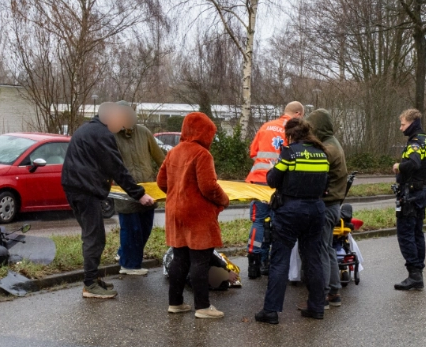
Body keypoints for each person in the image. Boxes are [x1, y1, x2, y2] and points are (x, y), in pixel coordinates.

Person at [61, 103, 154, 300]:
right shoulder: (101, 135)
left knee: (93, 236)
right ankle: (90, 285)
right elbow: (116, 168)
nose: (122, 128)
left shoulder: (88, 129)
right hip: (84, 191)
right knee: (94, 238)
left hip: (77, 188)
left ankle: (93, 279)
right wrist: (139, 194)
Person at [254, 118, 329, 325]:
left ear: (289, 135)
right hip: (315, 210)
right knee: (313, 258)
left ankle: (271, 311)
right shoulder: (322, 154)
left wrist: (273, 168)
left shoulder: (289, 152)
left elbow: (272, 180)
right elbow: (325, 185)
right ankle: (316, 307)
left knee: (280, 260)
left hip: (290, 211)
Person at [157, 112, 231, 319]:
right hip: (198, 214)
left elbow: (161, 182)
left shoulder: (173, 152)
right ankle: (202, 307)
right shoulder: (202, 154)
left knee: (179, 258)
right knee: (200, 260)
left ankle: (175, 302)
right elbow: (208, 187)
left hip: (175, 213)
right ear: (204, 133)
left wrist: (176, 195)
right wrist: (224, 200)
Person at [245, 100, 305, 279]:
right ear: (299, 114)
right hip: (281, 183)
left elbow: (253, 152)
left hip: (258, 181)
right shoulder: (295, 131)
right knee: (279, 222)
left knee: (259, 221)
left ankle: (254, 261)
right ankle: (273, 262)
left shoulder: (266, 126)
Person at [114, 106, 166, 276]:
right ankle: (129, 265)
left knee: (145, 228)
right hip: (125, 190)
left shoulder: (143, 132)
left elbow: (160, 158)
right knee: (131, 229)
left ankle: (124, 254)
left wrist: (170, 176)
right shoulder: (111, 136)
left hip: (148, 189)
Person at [306, 107, 348, 308]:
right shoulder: (332, 144)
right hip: (333, 205)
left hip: (326, 205)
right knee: (328, 248)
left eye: (311, 128)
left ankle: (321, 295)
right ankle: (334, 291)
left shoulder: (327, 150)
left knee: (321, 250)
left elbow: (315, 178)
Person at [392, 108, 426, 291]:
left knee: (406, 235)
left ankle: (414, 275)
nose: (401, 128)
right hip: (420, 193)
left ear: (412, 123)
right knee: (418, 233)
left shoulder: (415, 143)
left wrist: (398, 167)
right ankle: (418, 273)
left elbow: (414, 163)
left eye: (403, 124)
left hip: (410, 195)